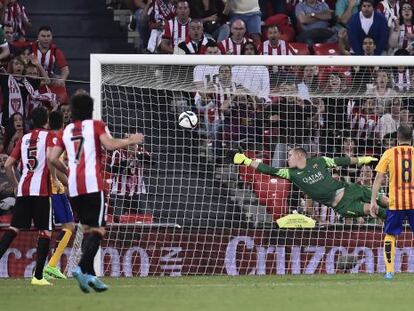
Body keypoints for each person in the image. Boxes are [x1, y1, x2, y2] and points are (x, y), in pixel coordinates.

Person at [48, 94, 144, 293]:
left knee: (88, 229)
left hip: (73, 187)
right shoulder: (96, 125)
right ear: (90, 110)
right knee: (99, 230)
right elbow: (109, 145)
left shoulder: (66, 130)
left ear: (73, 110)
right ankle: (81, 268)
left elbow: (52, 157)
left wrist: (68, 171)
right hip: (92, 184)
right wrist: (130, 140)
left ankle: (91, 276)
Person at [229, 147, 389, 220]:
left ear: (299, 155)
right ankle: (398, 225)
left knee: (386, 201)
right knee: (372, 209)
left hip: (351, 189)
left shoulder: (319, 161)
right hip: (342, 206)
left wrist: (363, 159)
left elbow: (342, 160)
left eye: (290, 155)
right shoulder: (291, 173)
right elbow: (268, 170)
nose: (287, 158)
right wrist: (246, 161)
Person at [0, 107, 53, 286]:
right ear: (46, 120)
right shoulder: (50, 136)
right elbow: (54, 159)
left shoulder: (23, 139)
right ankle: (38, 277)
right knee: (45, 231)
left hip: (23, 190)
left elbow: (8, 165)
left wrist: (15, 186)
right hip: (41, 191)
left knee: (14, 229)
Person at [370, 124, 414, 279]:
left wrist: (373, 200)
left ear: (397, 137)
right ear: (411, 137)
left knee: (390, 235)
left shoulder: (389, 153)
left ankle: (389, 271)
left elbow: (378, 179)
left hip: (396, 203)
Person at [43, 111, 75, 280]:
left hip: (58, 188)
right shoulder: (56, 138)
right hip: (53, 189)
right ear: (63, 123)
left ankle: (51, 265)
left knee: (69, 226)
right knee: (66, 227)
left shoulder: (50, 137)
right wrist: (65, 179)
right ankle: (48, 266)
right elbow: (51, 161)